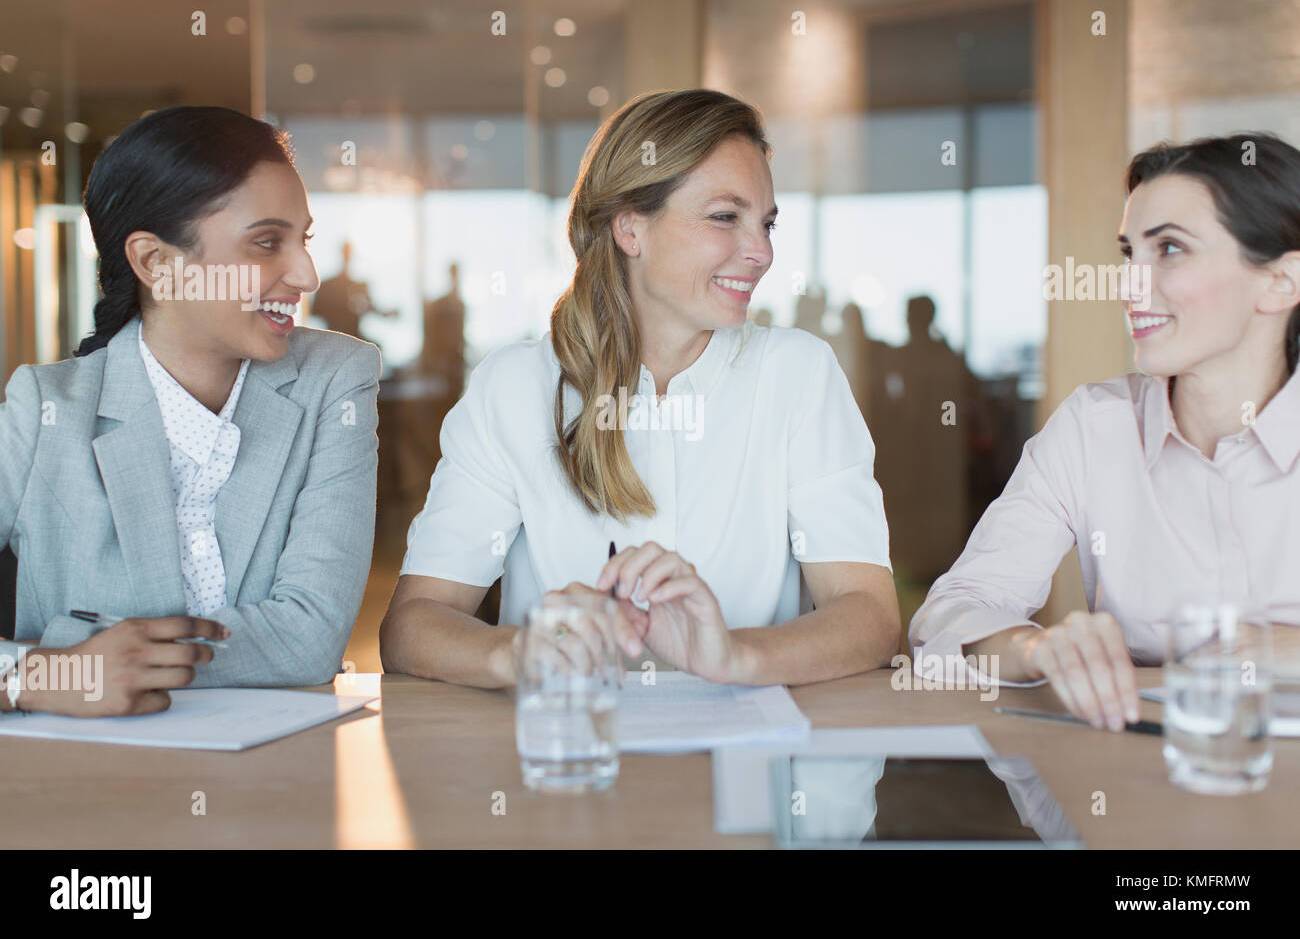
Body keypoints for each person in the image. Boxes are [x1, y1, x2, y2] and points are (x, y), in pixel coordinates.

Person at [381, 89, 899, 688]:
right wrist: (517, 655)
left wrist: (734, 658)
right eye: (725, 217)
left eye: (766, 223)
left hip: (750, 766)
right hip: (570, 757)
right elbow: (411, 625)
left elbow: (870, 615)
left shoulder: (798, 375)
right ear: (630, 228)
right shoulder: (515, 387)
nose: (761, 252)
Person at [910, 133, 1300, 730]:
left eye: (1169, 249)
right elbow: (951, 613)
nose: (1128, 289)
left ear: (1280, 282)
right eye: (1129, 254)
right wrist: (1037, 651)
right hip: (1146, 783)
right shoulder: (1094, 428)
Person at [0, 106, 381, 716]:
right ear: (156, 263)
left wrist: (83, 652)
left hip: (278, 781)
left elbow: (310, 638)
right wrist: (37, 674)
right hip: (85, 786)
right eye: (265, 243)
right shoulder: (45, 412)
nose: (306, 274)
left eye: (302, 240)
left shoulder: (334, 380)